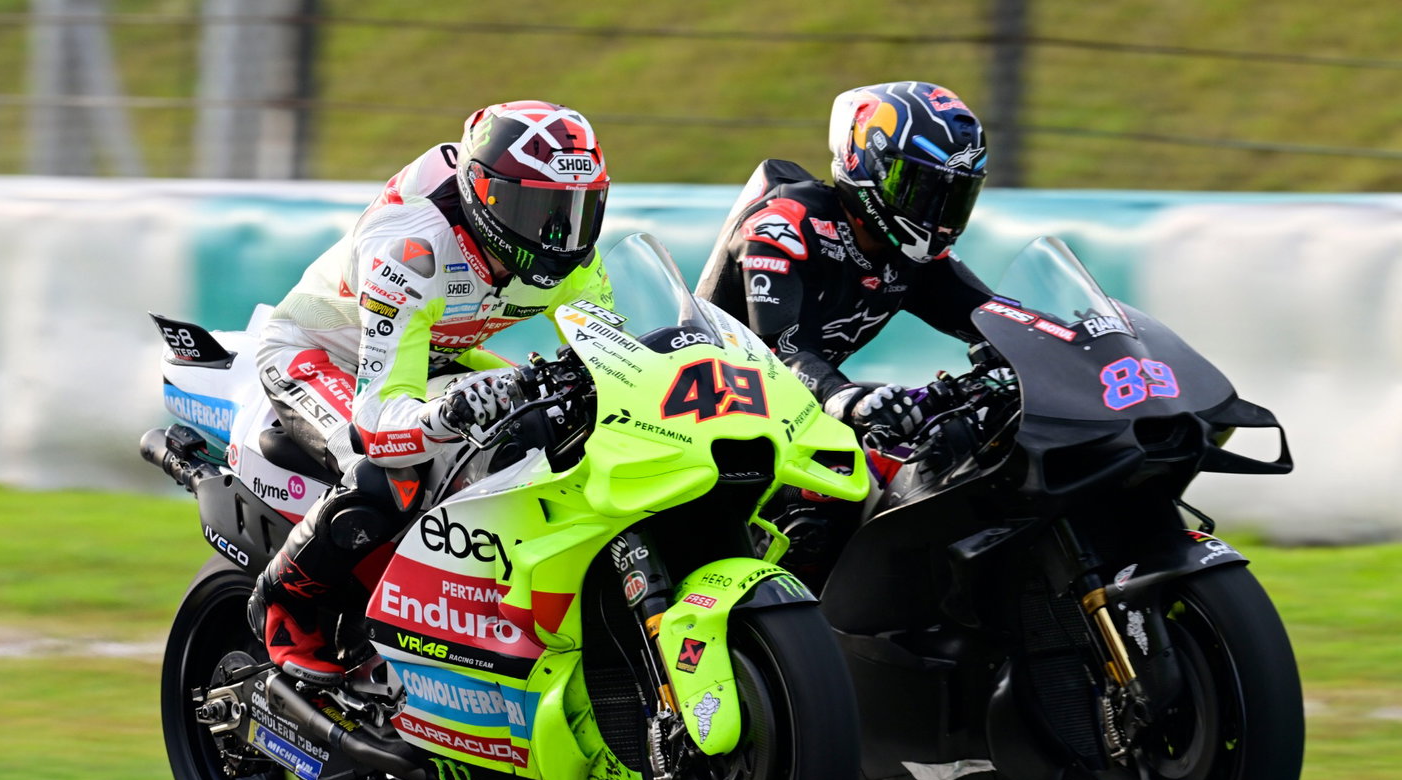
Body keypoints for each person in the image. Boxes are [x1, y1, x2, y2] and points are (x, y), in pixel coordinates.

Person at [248, 100, 612, 685]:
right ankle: (283, 602)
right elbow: (375, 421)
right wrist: (452, 413)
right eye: (537, 209)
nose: (557, 235)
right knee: (393, 473)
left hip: (438, 350)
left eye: (574, 211)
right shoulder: (412, 250)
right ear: (484, 195)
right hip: (321, 353)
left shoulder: (575, 260)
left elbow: (608, 356)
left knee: (554, 432)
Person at [694, 81, 997, 581]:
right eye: (922, 190)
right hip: (716, 419)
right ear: (867, 168)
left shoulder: (915, 257)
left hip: (804, 417)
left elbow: (998, 318)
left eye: (952, 197)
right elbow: (778, 349)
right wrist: (850, 400)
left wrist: (1073, 345)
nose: (938, 216)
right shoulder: (785, 224)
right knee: (840, 501)